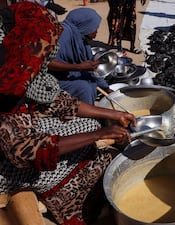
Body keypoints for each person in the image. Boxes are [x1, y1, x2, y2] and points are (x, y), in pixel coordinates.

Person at [0, 2, 136, 225]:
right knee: (81, 162)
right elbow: (27, 153)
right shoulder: (7, 87)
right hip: (10, 163)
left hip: (26, 130)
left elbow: (59, 101)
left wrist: (112, 116)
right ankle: (77, 208)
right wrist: (99, 136)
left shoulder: (21, 65)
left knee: (89, 125)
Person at [48, 8, 113, 105]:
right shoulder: (61, 36)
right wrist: (79, 67)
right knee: (84, 88)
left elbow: (92, 69)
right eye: (94, 28)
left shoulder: (81, 39)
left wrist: (106, 88)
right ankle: (86, 117)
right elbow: (48, 63)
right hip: (52, 80)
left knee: (91, 83)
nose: (96, 31)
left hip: (68, 74)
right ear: (85, 26)